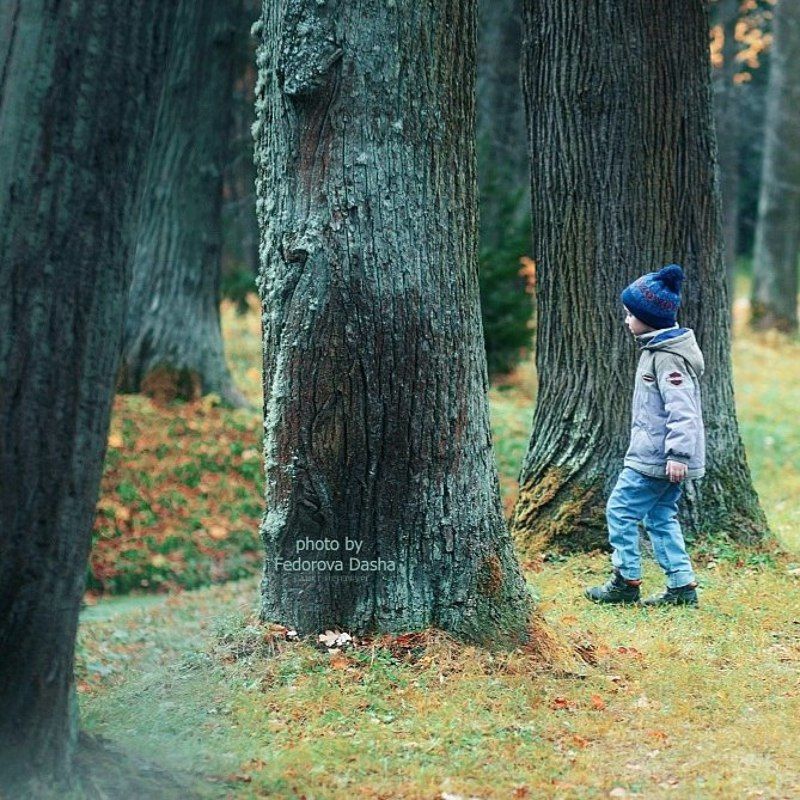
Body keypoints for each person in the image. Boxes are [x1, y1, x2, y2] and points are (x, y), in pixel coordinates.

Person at [585, 263, 705, 607]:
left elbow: (683, 410)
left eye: (629, 314)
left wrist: (678, 455)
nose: (626, 320)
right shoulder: (657, 351)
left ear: (647, 316)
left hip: (657, 459)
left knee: (620, 510)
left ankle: (626, 581)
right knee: (660, 517)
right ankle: (682, 588)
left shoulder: (668, 359)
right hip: (658, 456)